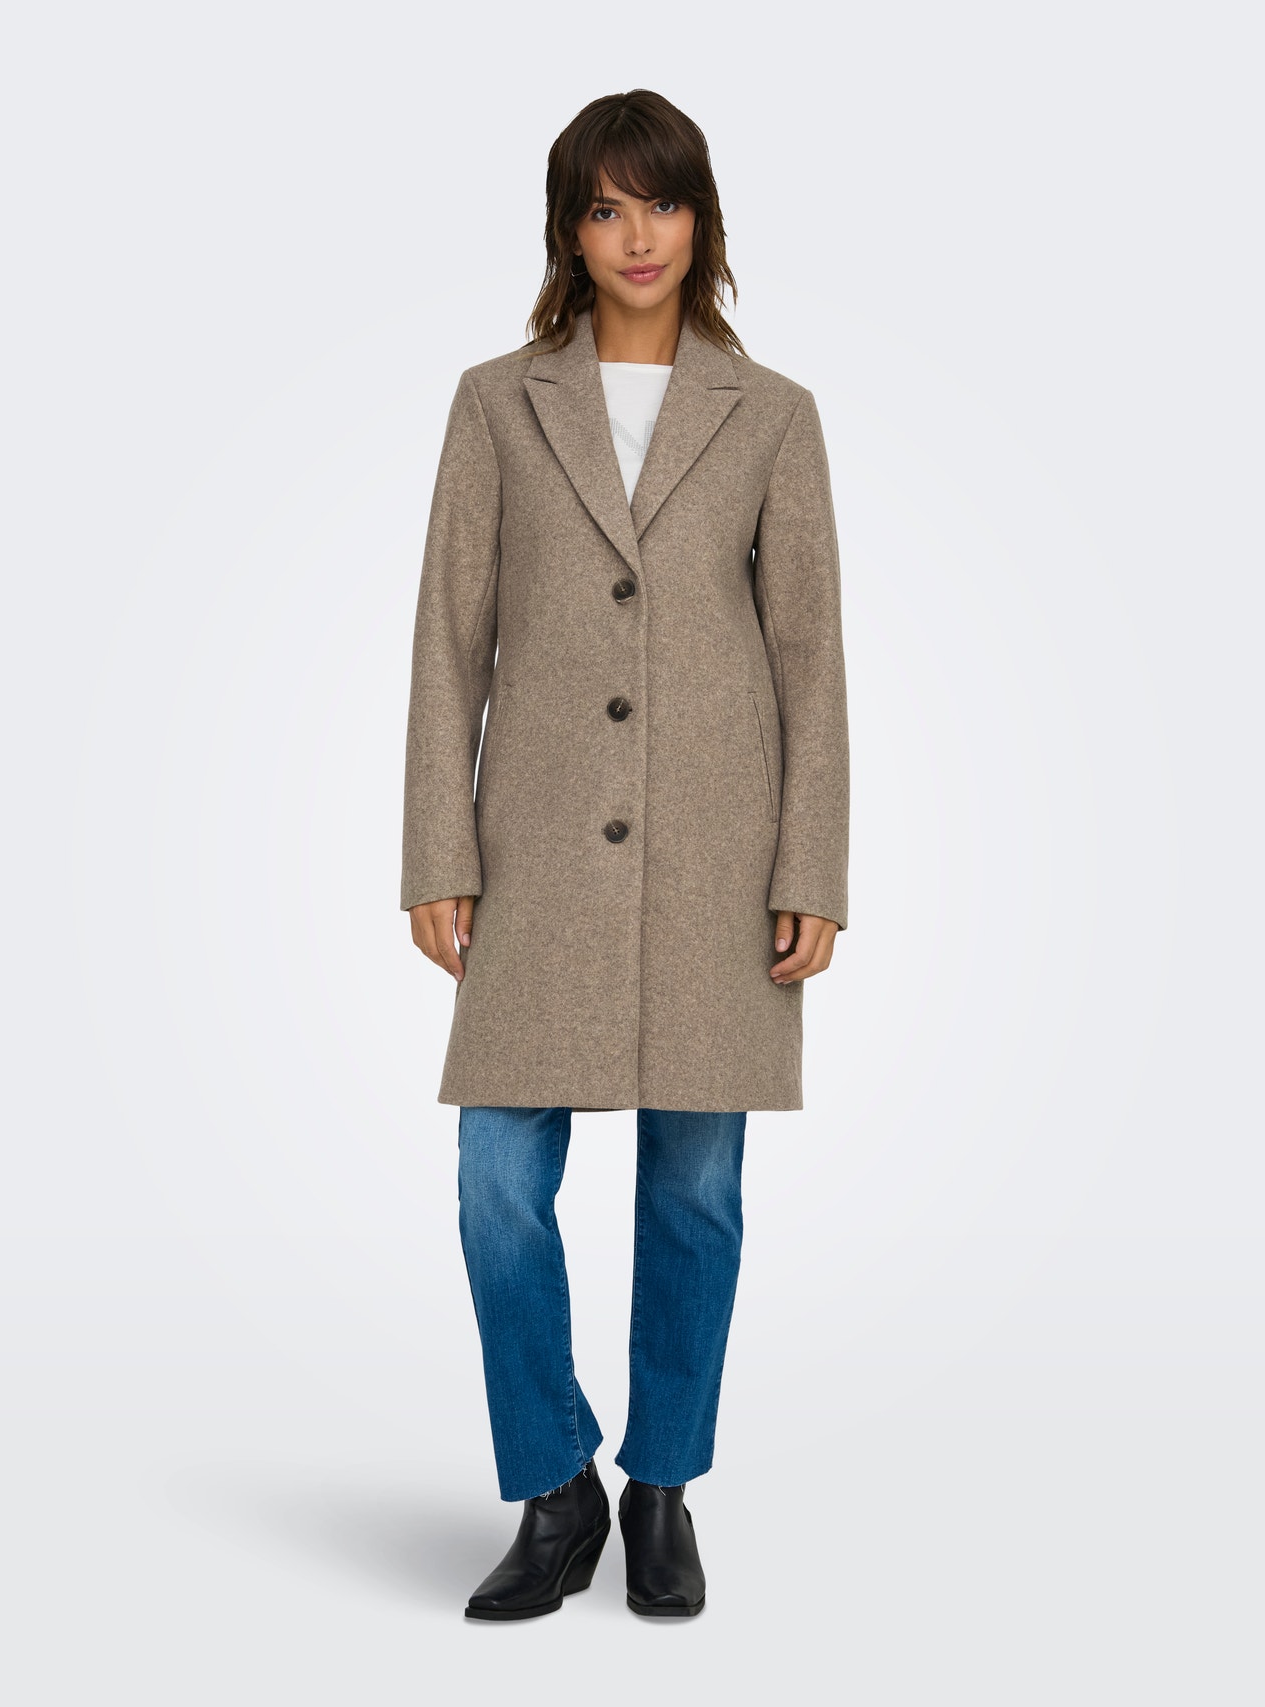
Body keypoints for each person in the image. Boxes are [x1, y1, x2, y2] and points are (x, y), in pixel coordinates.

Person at [400, 89, 849, 1620]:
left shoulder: (772, 413)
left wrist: (812, 867)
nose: (636, 235)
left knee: (696, 1195)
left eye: (659, 203)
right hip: (533, 854)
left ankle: (663, 1489)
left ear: (701, 220)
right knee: (497, 1187)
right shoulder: (498, 403)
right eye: (604, 207)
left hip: (723, 853)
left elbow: (810, 654)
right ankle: (554, 1486)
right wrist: (436, 848)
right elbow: (449, 637)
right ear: (568, 231)